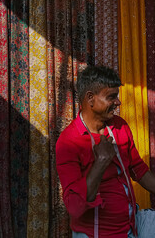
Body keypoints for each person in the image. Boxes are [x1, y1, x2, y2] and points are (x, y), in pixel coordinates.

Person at [56, 65, 155, 238]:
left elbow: (138, 169)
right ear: (90, 99)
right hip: (99, 233)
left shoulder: (119, 125)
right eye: (112, 97)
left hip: (133, 222)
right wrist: (100, 163)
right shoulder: (68, 142)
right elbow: (75, 207)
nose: (118, 102)